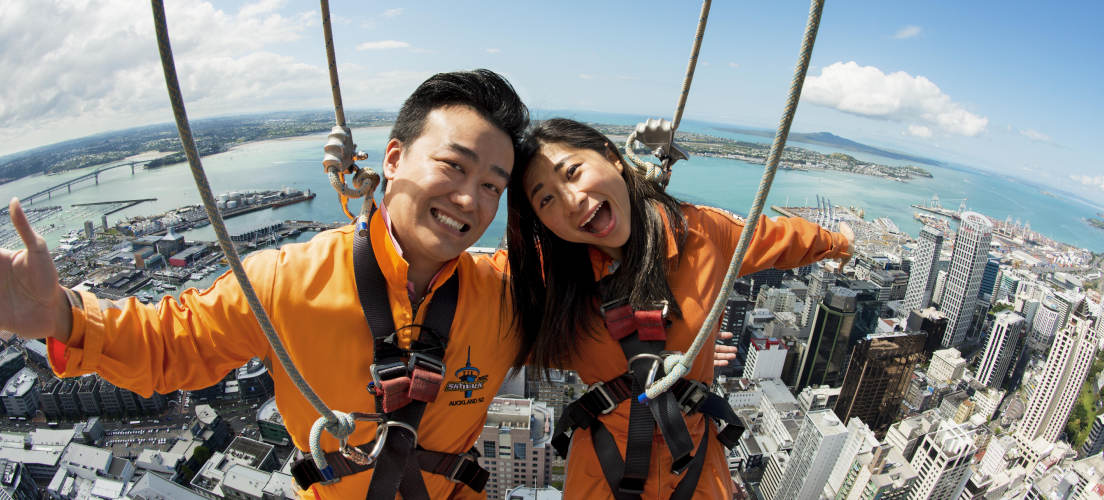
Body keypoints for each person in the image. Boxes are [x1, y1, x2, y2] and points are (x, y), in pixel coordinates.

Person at [1, 69, 530, 499]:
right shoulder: (285, 281)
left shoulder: (508, 295)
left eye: (491, 186)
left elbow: (581, 286)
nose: (470, 199)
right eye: (452, 166)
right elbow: (171, 343)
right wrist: (62, 316)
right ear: (393, 160)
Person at [505, 118, 853, 499]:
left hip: (695, 463)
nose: (572, 201)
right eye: (546, 200)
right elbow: (479, 300)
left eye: (573, 172)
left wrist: (839, 243)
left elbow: (780, 239)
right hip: (603, 465)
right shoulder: (548, 277)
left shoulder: (702, 234)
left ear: (612, 156)